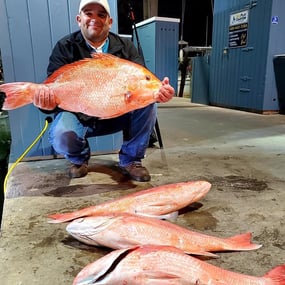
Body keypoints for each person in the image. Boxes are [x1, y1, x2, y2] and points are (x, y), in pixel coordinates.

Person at [34, 0, 175, 182]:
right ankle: (79, 159)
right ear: (79, 19)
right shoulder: (65, 46)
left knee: (148, 104)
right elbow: (52, 89)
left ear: (110, 21)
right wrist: (44, 101)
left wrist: (160, 93)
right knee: (61, 134)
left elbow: (142, 83)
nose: (95, 19)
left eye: (101, 15)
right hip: (79, 114)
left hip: (116, 113)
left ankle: (131, 160)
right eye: (88, 13)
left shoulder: (126, 47)